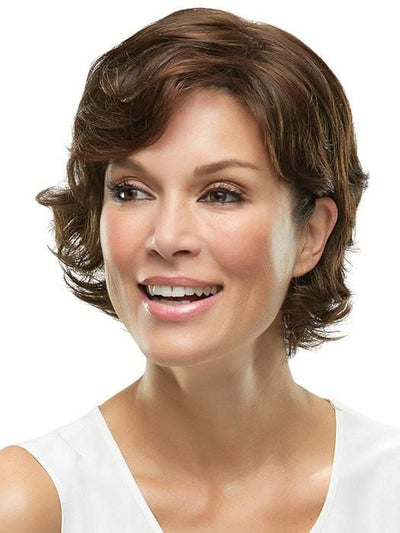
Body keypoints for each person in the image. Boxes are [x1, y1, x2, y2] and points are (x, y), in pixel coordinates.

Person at [1, 7, 399, 532]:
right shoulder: (28, 503)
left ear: (311, 234)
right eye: (131, 191)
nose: (167, 237)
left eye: (220, 194)